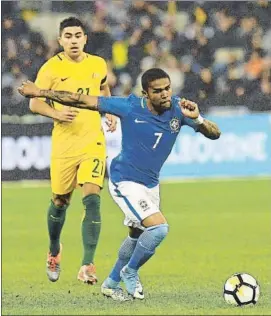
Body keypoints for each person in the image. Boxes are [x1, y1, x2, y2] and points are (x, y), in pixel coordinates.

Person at [18, 68, 221, 301]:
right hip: (124, 179)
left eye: (167, 88)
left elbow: (215, 134)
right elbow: (79, 99)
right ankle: (130, 271)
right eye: (158, 91)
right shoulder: (130, 106)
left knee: (136, 235)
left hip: (150, 184)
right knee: (158, 228)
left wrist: (197, 119)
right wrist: (40, 92)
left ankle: (111, 282)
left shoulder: (178, 108)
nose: (165, 94)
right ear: (145, 93)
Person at [24, 16, 117, 285]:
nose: (74, 40)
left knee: (92, 199)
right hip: (65, 144)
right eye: (68, 36)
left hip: (93, 142)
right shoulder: (51, 69)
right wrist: (57, 112)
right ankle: (54, 249)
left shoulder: (97, 63)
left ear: (85, 38)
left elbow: (103, 87)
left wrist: (108, 110)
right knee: (60, 202)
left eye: (78, 35)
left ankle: (88, 264)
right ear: (60, 40)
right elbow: (34, 104)